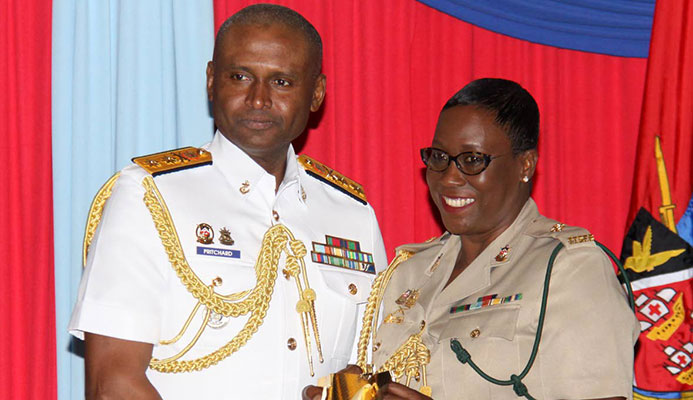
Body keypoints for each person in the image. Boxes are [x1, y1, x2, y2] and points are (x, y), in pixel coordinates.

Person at [69, 4, 387, 399]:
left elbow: (369, 370)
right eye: (240, 77)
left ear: (316, 93)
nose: (258, 99)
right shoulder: (149, 196)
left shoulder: (352, 214)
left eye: (282, 82)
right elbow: (112, 383)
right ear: (210, 80)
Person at [308, 78, 638, 400]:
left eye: (472, 160)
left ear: (525, 165)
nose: (449, 178)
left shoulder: (569, 268)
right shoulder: (407, 273)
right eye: (439, 157)